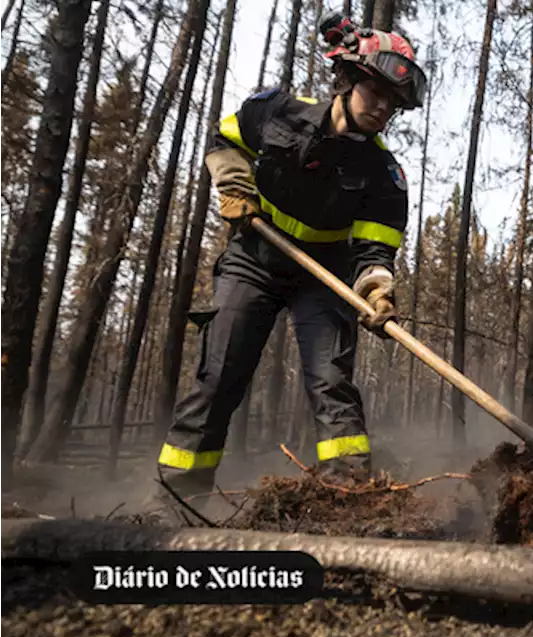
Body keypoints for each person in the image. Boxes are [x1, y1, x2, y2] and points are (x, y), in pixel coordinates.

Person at [151, 15, 427, 501]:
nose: (384, 107)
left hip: (325, 276)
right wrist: (235, 185)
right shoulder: (276, 112)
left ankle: (349, 496)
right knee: (220, 374)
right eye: (375, 92)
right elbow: (227, 141)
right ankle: (177, 497)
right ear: (346, 79)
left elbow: (373, 251)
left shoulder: (385, 177)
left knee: (331, 382)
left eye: (394, 102)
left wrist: (377, 290)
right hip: (255, 258)